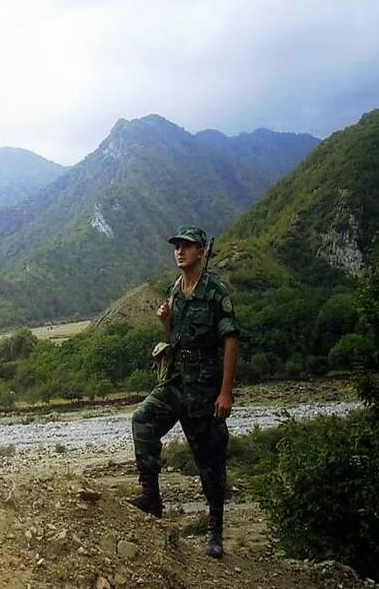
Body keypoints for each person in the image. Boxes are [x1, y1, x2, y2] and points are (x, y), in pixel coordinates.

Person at [129, 225, 239, 559]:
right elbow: (176, 337)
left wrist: (225, 392)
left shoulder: (215, 291)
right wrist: (165, 321)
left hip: (205, 387)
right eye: (177, 246)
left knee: (210, 462)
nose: (180, 251)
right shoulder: (176, 289)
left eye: (187, 246)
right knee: (142, 419)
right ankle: (151, 497)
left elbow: (231, 339)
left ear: (200, 251)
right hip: (176, 380)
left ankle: (215, 531)